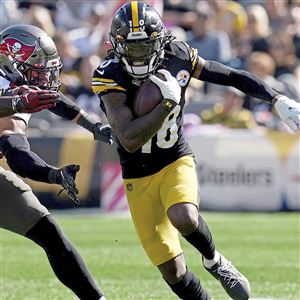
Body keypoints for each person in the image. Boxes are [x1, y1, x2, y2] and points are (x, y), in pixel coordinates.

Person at [92, 2, 300, 299]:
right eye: (132, 48)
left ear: (160, 40)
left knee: (184, 216)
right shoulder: (109, 75)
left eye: (145, 46)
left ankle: (214, 260)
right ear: (116, 46)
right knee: (172, 270)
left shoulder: (177, 55)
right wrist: (166, 103)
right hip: (137, 176)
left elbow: (230, 76)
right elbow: (129, 139)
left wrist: (276, 99)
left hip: (175, 158)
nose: (139, 55)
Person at [0, 24, 109, 300]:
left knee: (48, 231)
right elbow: (17, 155)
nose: (44, 77)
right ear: (10, 64)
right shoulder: (13, 102)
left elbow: (54, 100)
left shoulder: (17, 89)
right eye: (37, 69)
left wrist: (94, 126)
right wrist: (51, 175)